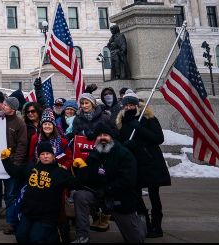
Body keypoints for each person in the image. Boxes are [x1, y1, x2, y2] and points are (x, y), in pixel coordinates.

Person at [73, 120, 146, 244]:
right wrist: (79, 171)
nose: (102, 138)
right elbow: (89, 178)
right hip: (98, 195)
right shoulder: (94, 154)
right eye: (99, 136)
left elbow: (127, 180)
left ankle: (141, 222)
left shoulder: (124, 153)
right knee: (80, 196)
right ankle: (83, 237)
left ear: (111, 137)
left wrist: (107, 190)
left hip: (119, 198)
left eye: (105, 135)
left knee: (136, 239)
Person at [1, 141, 80, 243]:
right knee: (20, 237)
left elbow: (77, 184)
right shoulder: (30, 167)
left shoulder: (60, 172)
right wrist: (5, 159)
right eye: (42, 154)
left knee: (36, 239)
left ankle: (54, 235)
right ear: (39, 156)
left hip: (47, 216)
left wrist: (80, 170)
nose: (45, 156)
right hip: (29, 212)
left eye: (48, 154)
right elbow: (15, 172)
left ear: (53, 156)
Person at [117, 90, 170, 238]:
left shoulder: (148, 118)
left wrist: (139, 129)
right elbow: (120, 142)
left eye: (131, 104)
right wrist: (125, 145)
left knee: (154, 195)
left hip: (151, 161)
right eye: (126, 105)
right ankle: (144, 223)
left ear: (136, 104)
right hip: (134, 164)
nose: (128, 107)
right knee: (136, 196)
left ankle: (157, 225)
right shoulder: (121, 121)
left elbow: (159, 138)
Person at [0, 96, 27, 235]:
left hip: (10, 164)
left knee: (10, 195)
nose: (3, 106)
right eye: (4, 103)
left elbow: (22, 145)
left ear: (13, 109)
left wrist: (15, 164)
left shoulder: (20, 123)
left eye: (6, 105)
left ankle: (10, 223)